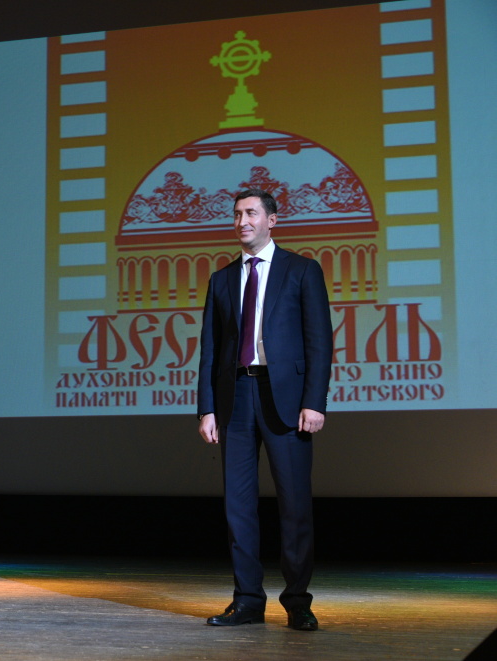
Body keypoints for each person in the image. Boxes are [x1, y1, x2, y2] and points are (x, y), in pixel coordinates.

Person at [196, 188, 332, 631]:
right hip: (235, 398)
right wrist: (207, 408)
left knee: (294, 506)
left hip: (286, 401)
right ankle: (248, 601)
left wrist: (314, 401)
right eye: (237, 214)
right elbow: (210, 350)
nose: (242, 221)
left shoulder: (302, 270)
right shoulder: (221, 279)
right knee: (238, 509)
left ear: (272, 220)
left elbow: (319, 343)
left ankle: (297, 602)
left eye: (251, 213)